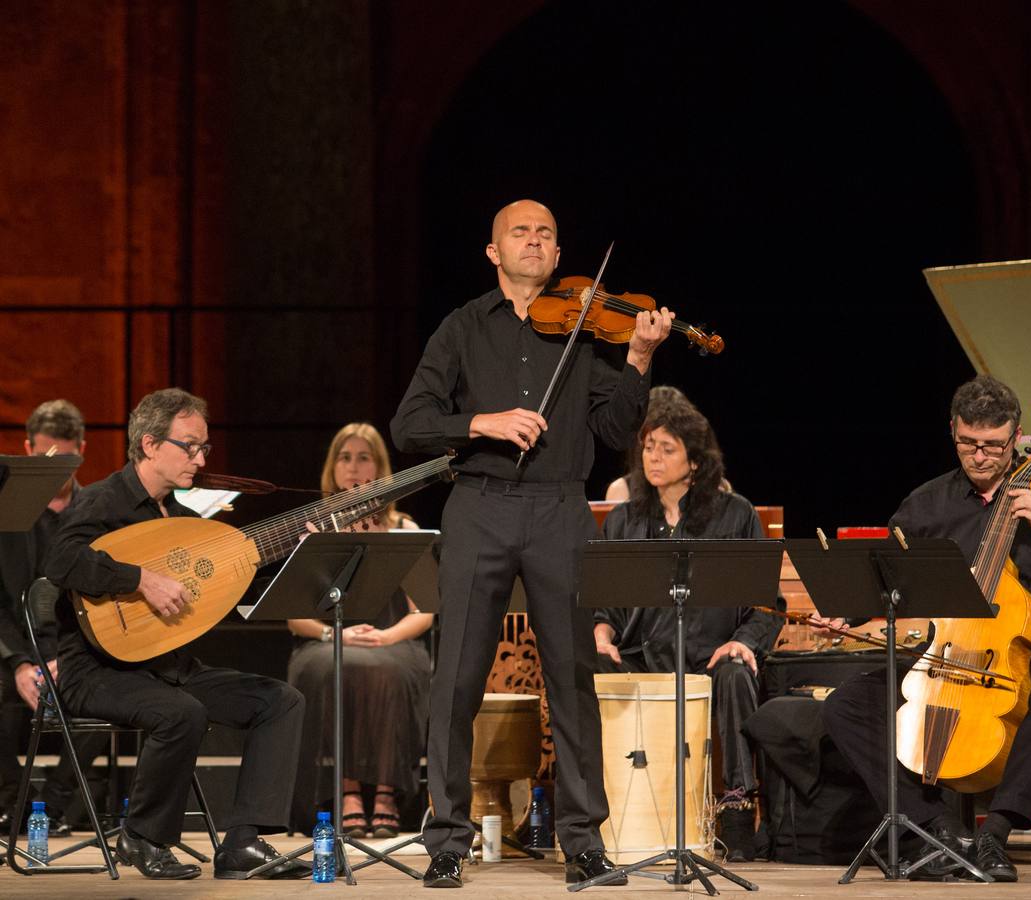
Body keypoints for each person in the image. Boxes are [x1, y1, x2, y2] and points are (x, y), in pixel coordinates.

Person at [391, 198, 673, 888]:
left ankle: (581, 842)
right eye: (521, 231)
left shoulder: (579, 332)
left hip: (559, 509)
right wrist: (481, 422)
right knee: (457, 675)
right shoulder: (462, 328)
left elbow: (614, 429)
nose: (536, 241)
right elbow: (410, 425)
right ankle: (449, 841)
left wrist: (638, 356)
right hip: (480, 505)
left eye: (546, 233)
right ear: (494, 252)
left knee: (572, 678)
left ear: (555, 253)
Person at [819, 375, 1031, 882]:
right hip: (940, 654)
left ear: (1016, 438)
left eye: (994, 445)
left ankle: (996, 837)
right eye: (969, 443)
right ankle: (937, 830)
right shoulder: (927, 506)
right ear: (953, 431)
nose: (981, 455)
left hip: (1027, 662)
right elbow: (888, 582)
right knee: (846, 704)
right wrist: (853, 611)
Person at [43, 388, 308, 880]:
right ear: (149, 444)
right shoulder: (104, 499)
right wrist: (139, 579)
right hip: (94, 672)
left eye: (204, 447)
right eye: (190, 445)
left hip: (169, 669)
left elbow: (230, 581)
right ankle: (142, 837)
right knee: (182, 712)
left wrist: (300, 551)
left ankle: (243, 845)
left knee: (280, 701)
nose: (202, 457)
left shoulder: (184, 520)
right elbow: (59, 560)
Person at [593, 397, 781, 861]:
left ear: (695, 462)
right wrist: (601, 633)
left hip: (710, 656)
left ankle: (737, 814)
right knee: (591, 669)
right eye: (648, 447)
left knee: (737, 673)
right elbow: (602, 601)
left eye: (666, 449)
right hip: (644, 655)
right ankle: (606, 815)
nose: (652, 458)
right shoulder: (625, 519)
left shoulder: (735, 515)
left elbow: (766, 604)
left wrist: (742, 641)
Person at [286, 422, 433, 838]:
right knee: (329, 667)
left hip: (391, 639)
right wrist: (337, 636)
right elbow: (296, 618)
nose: (353, 467)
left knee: (393, 668)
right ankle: (347, 791)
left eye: (363, 457)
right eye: (344, 457)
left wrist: (387, 637)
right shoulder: (314, 529)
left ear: (380, 468)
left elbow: (424, 613)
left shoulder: (403, 528)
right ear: (332, 467)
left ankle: (385, 794)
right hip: (328, 640)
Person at [0, 400, 103, 835]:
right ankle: (11, 805)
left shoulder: (99, 512)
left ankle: (56, 803)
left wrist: (68, 657)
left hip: (73, 651)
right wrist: (21, 664)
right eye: (43, 456)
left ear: (81, 450)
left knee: (123, 683)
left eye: (64, 458)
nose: (54, 468)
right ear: (26, 448)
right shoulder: (5, 514)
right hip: (16, 650)